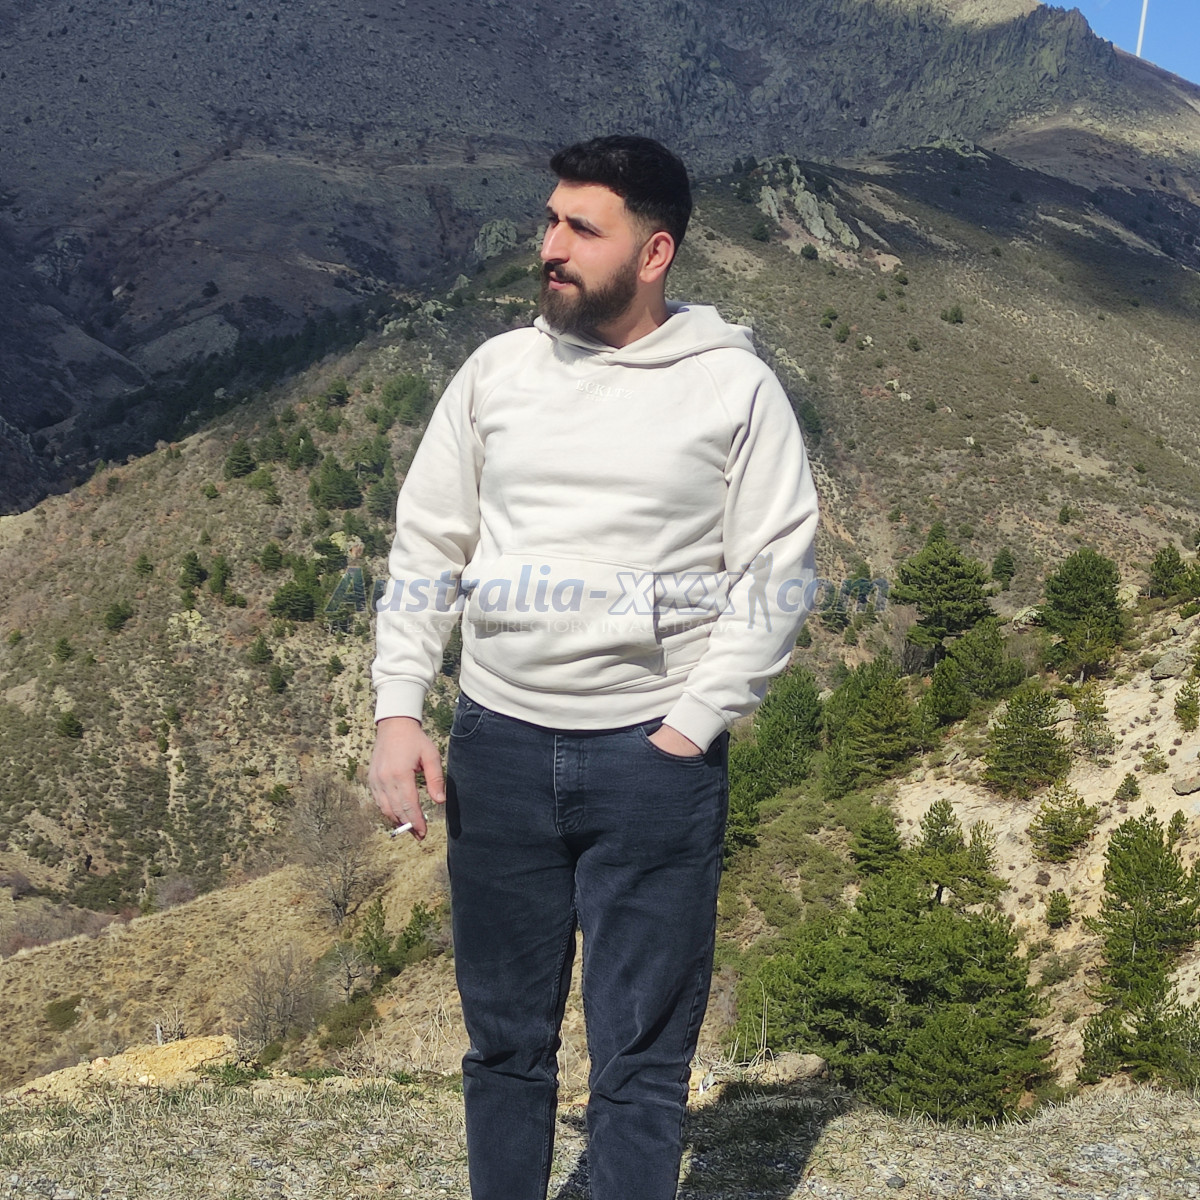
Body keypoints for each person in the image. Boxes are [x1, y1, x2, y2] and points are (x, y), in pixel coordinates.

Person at [369, 135, 819, 1200]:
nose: (551, 247)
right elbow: (428, 543)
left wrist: (692, 726)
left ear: (655, 252)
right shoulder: (496, 372)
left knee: (641, 1060)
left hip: (649, 764)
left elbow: (779, 572)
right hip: (497, 749)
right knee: (503, 1046)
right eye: (551, 221)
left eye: (582, 228)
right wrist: (399, 709)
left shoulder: (734, 389)